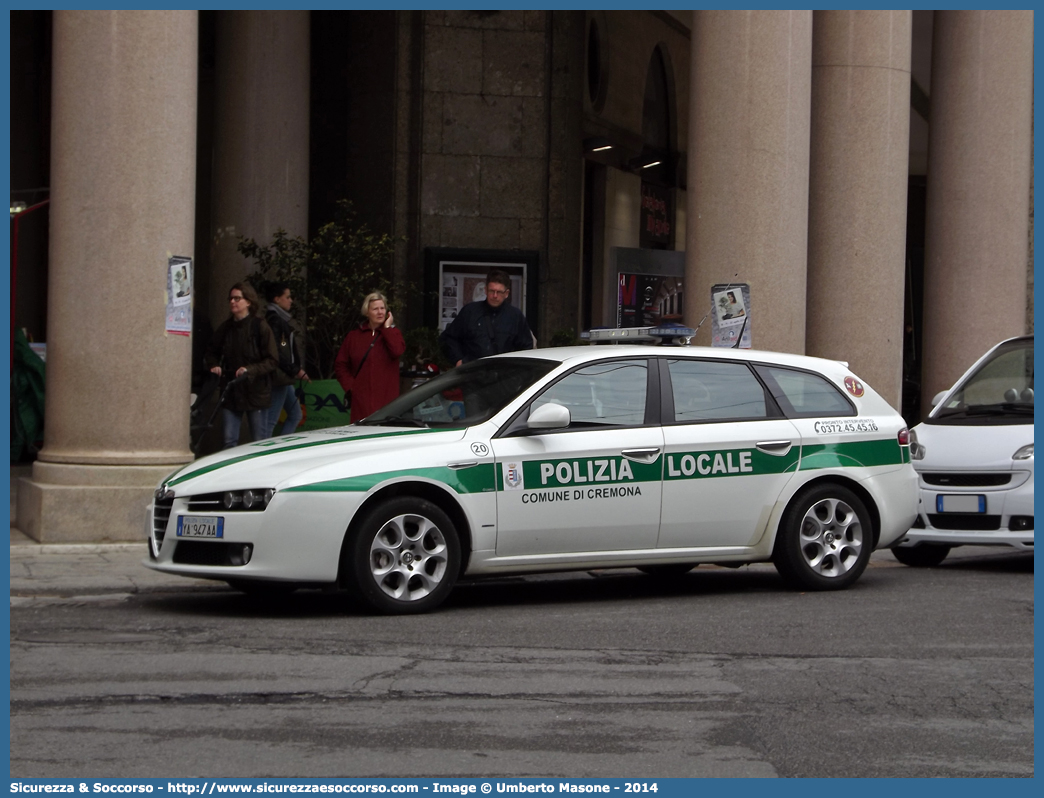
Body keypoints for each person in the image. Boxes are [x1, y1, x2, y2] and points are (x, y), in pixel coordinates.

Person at [204, 282, 280, 449]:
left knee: (259, 441)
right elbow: (211, 351)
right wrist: (214, 364)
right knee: (228, 440)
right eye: (230, 298)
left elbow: (273, 360)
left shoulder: (260, 326)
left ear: (248, 302)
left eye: (237, 298)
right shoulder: (226, 328)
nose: (232, 302)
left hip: (256, 391)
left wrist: (250, 370)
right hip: (231, 390)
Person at [333, 291, 406, 422]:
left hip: (387, 401)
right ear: (367, 312)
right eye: (375, 309)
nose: (380, 312)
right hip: (361, 402)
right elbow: (340, 365)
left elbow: (397, 351)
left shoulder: (393, 333)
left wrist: (387, 328)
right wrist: (351, 387)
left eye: (382, 308)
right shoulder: (354, 337)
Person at [440, 269, 534, 366]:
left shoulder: (515, 316)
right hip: (472, 372)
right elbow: (448, 338)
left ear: (506, 293)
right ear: (485, 290)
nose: (495, 296)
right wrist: (458, 360)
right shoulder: (470, 312)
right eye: (491, 291)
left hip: (503, 374)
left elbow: (526, 347)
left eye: (499, 292)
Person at [263, 282, 310, 437]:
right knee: (271, 420)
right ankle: (264, 453)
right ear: (277, 299)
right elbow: (278, 351)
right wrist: (295, 369)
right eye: (287, 297)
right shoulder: (276, 321)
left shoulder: (277, 319)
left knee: (295, 414)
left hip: (283, 375)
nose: (291, 301)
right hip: (280, 376)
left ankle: (278, 449)